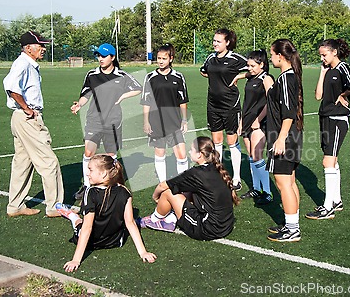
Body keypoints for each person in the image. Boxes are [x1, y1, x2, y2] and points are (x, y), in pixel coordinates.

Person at [56, 154, 156, 272]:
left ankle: (72, 216)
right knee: (86, 222)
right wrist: (143, 252)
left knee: (80, 223)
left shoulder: (90, 192)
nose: (87, 173)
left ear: (103, 174)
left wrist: (76, 260)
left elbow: (87, 228)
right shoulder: (124, 190)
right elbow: (130, 223)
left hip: (91, 243)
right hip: (116, 241)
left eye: (90, 170)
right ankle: (74, 215)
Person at [3, 30, 64, 218]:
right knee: (49, 162)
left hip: (20, 118)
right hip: (27, 119)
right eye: (41, 45)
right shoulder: (23, 64)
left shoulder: (29, 64)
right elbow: (11, 86)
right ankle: (55, 206)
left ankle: (15, 206)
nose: (44, 49)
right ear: (29, 48)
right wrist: (27, 108)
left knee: (22, 163)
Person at [71, 43, 142, 200]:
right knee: (89, 153)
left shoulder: (121, 75)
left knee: (111, 155)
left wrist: (123, 96)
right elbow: (85, 94)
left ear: (112, 57)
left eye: (104, 56)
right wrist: (79, 104)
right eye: (98, 55)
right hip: (94, 120)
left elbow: (139, 88)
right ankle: (88, 187)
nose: (100, 58)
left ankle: (109, 185)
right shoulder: (92, 75)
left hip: (113, 121)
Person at [139, 136, 239, 241]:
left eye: (192, 150)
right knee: (187, 190)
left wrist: (155, 197)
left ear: (200, 155)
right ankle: (172, 218)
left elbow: (163, 186)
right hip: (226, 226)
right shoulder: (217, 168)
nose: (189, 151)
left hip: (208, 229)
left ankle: (154, 219)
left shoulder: (196, 173)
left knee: (168, 192)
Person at [305, 38, 350, 220]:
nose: (322, 58)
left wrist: (343, 95)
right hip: (325, 117)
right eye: (320, 55)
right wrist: (322, 73)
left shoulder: (342, 68)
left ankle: (327, 206)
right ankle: (336, 201)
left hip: (338, 118)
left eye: (324, 55)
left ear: (334, 52)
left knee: (327, 162)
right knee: (332, 160)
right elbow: (318, 95)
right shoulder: (328, 70)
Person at [200, 28, 249, 192]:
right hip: (213, 105)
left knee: (232, 141)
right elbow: (203, 71)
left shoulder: (235, 58)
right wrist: (216, 78)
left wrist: (237, 76)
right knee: (217, 140)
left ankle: (236, 178)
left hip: (230, 105)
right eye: (214, 40)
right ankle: (219, 175)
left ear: (227, 43)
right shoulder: (211, 58)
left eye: (218, 41)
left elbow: (252, 68)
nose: (215, 43)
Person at [265, 39, 304, 242]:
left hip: (285, 137)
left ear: (280, 56)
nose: (271, 58)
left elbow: (288, 114)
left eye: (272, 54)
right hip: (290, 136)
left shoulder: (287, 78)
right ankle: (292, 223)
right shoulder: (287, 77)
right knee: (289, 180)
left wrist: (280, 139)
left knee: (283, 183)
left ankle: (292, 229)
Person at [141, 43, 189, 183]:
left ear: (171, 59)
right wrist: (146, 121)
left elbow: (183, 101)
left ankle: (182, 183)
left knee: (181, 155)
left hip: (174, 122)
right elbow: (146, 102)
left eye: (164, 58)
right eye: (159, 58)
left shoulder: (179, 77)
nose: (161, 61)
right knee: (160, 153)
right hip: (156, 122)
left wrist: (184, 120)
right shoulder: (150, 77)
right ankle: (163, 184)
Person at [231, 49, 275, 205]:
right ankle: (256, 188)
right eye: (247, 65)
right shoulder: (252, 76)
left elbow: (271, 102)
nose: (248, 68)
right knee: (251, 156)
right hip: (248, 121)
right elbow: (248, 101)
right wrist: (242, 121)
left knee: (257, 156)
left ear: (262, 64)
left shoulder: (266, 78)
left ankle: (268, 193)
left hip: (260, 122)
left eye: (252, 65)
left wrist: (258, 119)